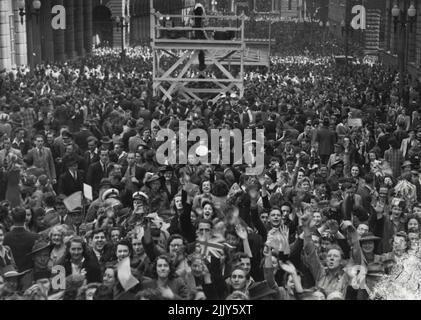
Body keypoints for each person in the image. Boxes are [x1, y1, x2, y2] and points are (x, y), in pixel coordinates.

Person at [3, 208, 39, 273]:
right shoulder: (34, 237)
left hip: (12, 274)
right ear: (25, 218)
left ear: (12, 219)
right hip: (29, 273)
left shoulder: (6, 237)